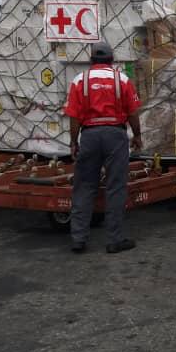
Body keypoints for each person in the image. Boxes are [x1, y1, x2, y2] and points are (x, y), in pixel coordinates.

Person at [63, 41, 143, 254]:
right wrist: (137, 135)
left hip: (89, 135)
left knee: (84, 186)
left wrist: (74, 142)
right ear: (111, 60)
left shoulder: (80, 80)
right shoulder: (122, 80)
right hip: (115, 136)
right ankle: (114, 240)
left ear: (91, 60)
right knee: (115, 187)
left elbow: (73, 116)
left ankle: (78, 239)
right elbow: (133, 112)